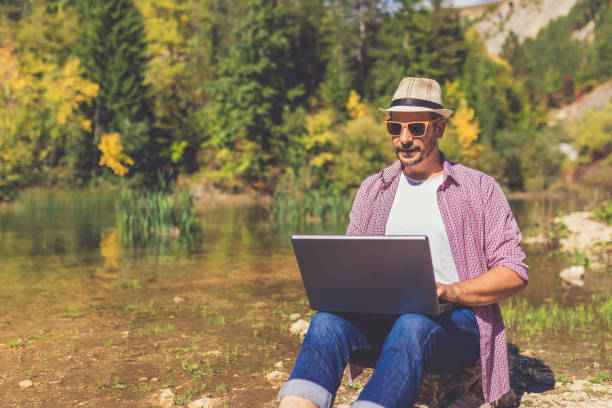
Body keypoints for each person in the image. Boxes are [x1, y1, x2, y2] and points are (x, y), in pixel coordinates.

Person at [278, 77, 528, 408]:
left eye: (416, 128)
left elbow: (514, 271)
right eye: (395, 128)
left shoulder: (479, 189)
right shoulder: (373, 189)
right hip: (385, 321)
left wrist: (448, 290)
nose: (404, 138)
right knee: (325, 321)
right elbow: (353, 264)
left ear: (439, 129)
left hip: (457, 324)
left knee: (412, 323)